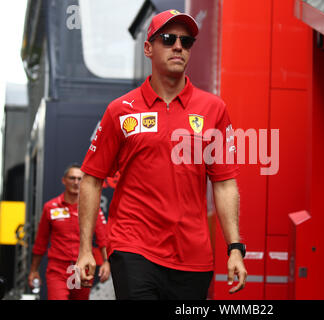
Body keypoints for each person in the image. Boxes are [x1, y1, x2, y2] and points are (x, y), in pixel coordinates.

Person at [76, 9, 247, 300]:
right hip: (134, 248)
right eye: (168, 39)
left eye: (186, 41)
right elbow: (91, 180)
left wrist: (235, 248)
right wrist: (84, 250)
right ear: (148, 48)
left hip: (193, 257)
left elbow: (224, 183)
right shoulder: (121, 110)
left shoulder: (213, 109)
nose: (178, 46)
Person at [28, 164, 110, 300]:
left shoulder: (92, 209)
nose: (76, 182)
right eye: (72, 178)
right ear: (64, 180)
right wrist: (34, 270)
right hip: (58, 269)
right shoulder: (51, 207)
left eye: (80, 179)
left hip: (82, 268)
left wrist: (106, 262)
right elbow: (40, 242)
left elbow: (103, 238)